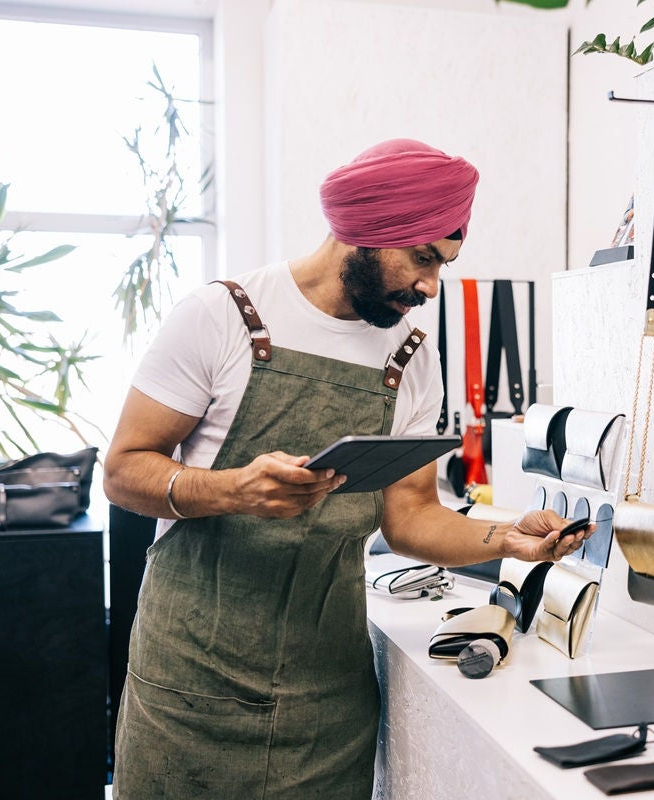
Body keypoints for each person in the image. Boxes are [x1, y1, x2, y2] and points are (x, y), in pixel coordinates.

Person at [104, 138, 588, 798]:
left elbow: (413, 517)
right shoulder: (220, 316)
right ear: (368, 229)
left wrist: (504, 539)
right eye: (423, 258)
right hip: (191, 687)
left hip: (325, 699)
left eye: (442, 265)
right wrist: (232, 491)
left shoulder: (411, 357)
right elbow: (123, 471)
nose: (430, 285)